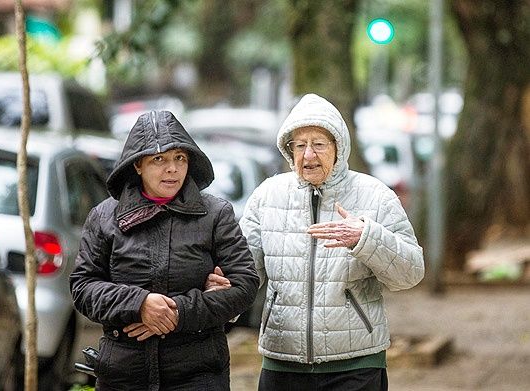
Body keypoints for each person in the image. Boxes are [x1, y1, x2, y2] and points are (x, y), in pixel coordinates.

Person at [238, 93, 425, 390]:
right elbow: (244, 275)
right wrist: (220, 293)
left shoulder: (375, 196)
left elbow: (411, 273)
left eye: (319, 144)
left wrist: (366, 238)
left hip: (356, 364)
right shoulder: (266, 197)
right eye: (300, 145)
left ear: (339, 147)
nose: (308, 155)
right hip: (282, 361)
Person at [70, 110, 260, 391]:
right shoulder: (104, 216)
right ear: (137, 165)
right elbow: (83, 287)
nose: (172, 169)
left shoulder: (215, 214)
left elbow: (245, 284)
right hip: (124, 374)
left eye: (179, 158)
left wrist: (177, 313)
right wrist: (140, 305)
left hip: (198, 373)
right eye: (159, 159)